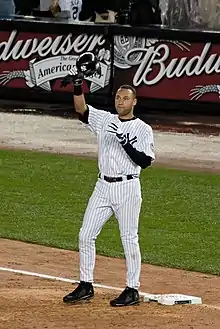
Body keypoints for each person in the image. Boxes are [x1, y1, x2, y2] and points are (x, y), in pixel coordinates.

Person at [62, 66, 155, 307]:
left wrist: (126, 143)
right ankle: (85, 284)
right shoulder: (105, 119)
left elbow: (145, 161)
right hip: (103, 186)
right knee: (85, 235)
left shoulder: (143, 129)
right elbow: (81, 110)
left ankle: (132, 289)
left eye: (125, 98)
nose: (120, 101)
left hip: (128, 188)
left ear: (135, 102)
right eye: (118, 97)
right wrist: (77, 86)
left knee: (129, 239)